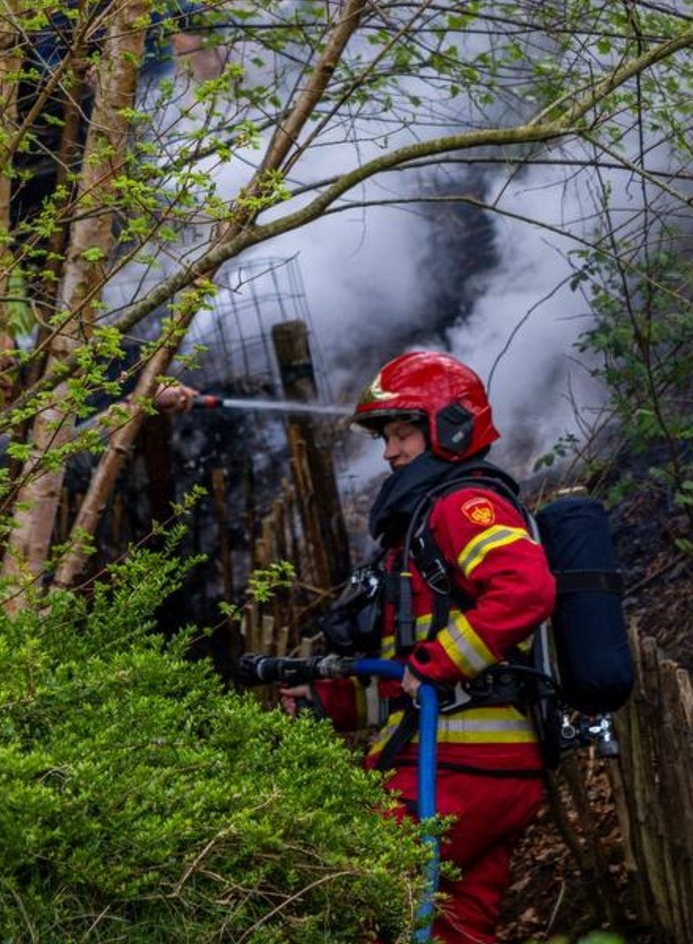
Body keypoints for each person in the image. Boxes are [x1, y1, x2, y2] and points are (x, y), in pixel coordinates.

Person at [292, 350, 556, 944]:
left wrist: (435, 666)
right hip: (484, 768)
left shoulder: (462, 505)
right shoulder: (423, 526)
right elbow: (402, 670)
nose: (390, 451)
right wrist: (324, 701)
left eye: (403, 432)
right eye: (387, 437)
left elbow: (526, 588)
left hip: (452, 765)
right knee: (453, 930)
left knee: (355, 895)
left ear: (451, 428)